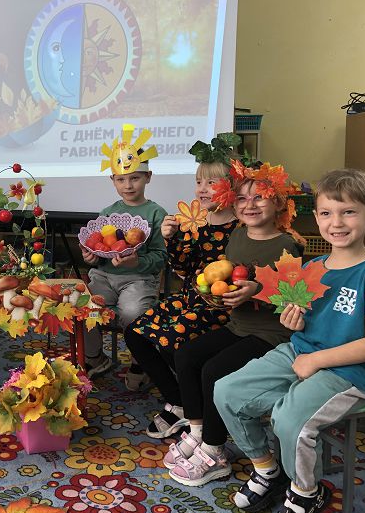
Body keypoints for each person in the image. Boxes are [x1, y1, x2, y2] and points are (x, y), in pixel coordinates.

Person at [214, 169, 365, 513]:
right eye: (327, 213)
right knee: (227, 391)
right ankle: (267, 469)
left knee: (289, 419)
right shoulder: (312, 267)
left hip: (349, 371)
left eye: (349, 212)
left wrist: (316, 361)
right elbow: (301, 319)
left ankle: (305, 493)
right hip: (300, 352)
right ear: (316, 217)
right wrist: (295, 321)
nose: (337, 222)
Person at [162, 159, 303, 487]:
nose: (249, 205)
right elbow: (227, 278)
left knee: (214, 370)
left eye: (259, 197)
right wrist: (218, 290)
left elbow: (296, 297)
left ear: (278, 203)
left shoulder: (287, 245)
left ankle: (215, 451)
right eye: (241, 198)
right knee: (186, 355)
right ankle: (198, 431)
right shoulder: (237, 236)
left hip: (272, 334)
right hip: (238, 326)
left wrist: (257, 291)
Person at [125, 136, 239, 436]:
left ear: (232, 186)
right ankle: (178, 401)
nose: (202, 189)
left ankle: (191, 406)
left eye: (212, 182)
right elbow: (182, 268)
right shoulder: (194, 221)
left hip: (219, 307)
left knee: (169, 338)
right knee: (135, 333)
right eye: (199, 182)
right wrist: (171, 238)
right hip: (188, 299)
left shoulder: (241, 227)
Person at [81, 128, 167, 377]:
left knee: (132, 312)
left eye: (135, 178)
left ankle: (142, 360)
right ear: (113, 180)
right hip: (104, 277)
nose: (128, 185)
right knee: (84, 307)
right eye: (121, 179)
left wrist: (136, 262)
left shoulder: (156, 213)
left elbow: (161, 257)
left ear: (148, 177)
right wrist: (91, 257)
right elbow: (98, 250)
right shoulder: (107, 213)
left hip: (139, 279)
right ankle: (95, 358)